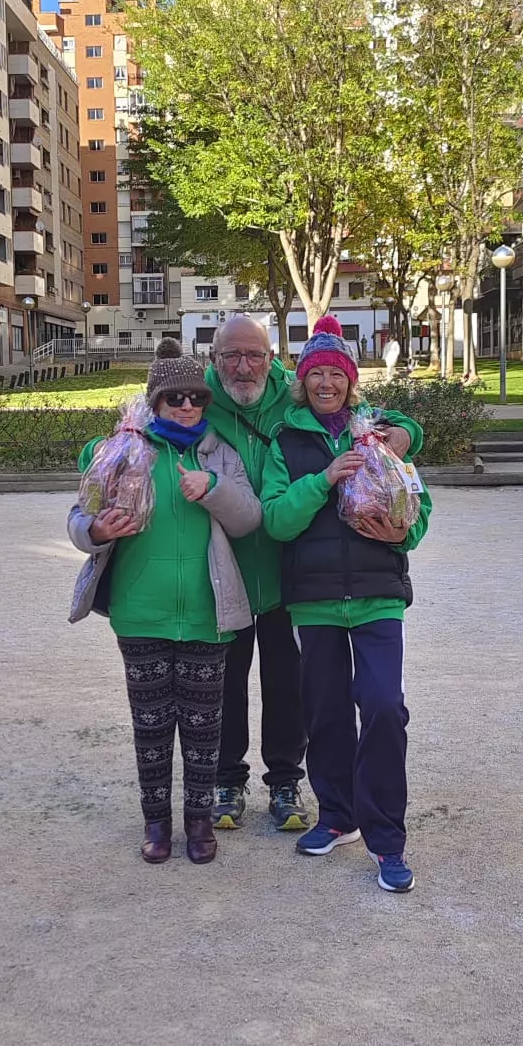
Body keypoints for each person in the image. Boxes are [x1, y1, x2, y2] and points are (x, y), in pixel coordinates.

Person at [70, 338, 261, 867]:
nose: (187, 408)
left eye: (197, 399)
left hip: (208, 614)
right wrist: (96, 528)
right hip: (141, 612)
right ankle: (155, 821)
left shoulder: (219, 451)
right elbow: (78, 518)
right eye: (175, 399)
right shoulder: (125, 449)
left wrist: (214, 487)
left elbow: (249, 518)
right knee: (151, 725)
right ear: (155, 401)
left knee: (205, 729)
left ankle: (200, 821)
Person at [261, 314, 432, 895]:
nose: (326, 383)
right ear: (303, 382)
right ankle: (338, 814)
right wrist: (326, 478)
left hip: (379, 594)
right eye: (316, 375)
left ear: (350, 381)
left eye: (336, 373)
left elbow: (417, 506)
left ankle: (387, 840)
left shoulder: (379, 432)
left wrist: (401, 535)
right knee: (326, 712)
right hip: (313, 602)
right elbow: (277, 522)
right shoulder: (285, 441)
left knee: (383, 707)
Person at [204, 314, 309, 834]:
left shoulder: (296, 396)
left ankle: (287, 779)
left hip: (289, 571)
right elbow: (126, 434)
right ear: (214, 359)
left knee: (287, 682)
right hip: (226, 574)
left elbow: (370, 414)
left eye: (255, 356)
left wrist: (405, 432)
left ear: (273, 359)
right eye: (232, 357)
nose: (244, 367)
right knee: (226, 683)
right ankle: (227, 778)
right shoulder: (193, 397)